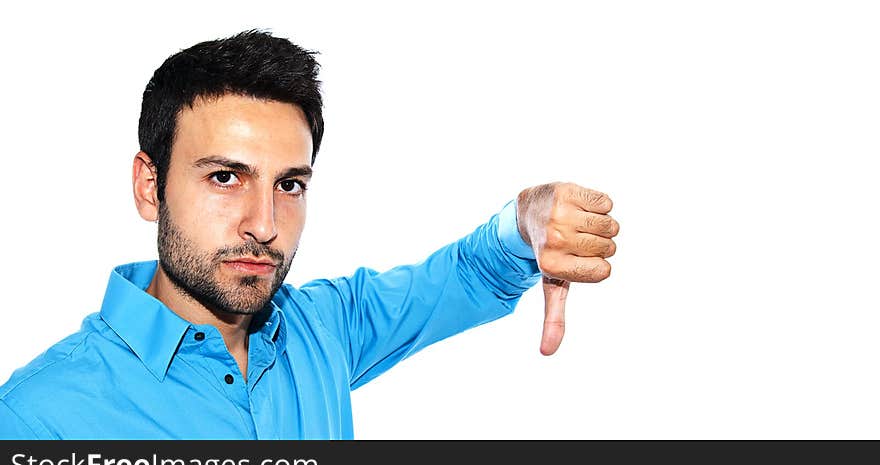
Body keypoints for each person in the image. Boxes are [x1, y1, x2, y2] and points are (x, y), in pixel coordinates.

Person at [0, 29, 619, 439]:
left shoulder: (321, 331)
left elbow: (467, 273)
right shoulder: (37, 419)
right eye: (224, 176)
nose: (265, 225)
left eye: (289, 184)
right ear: (149, 186)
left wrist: (527, 221)